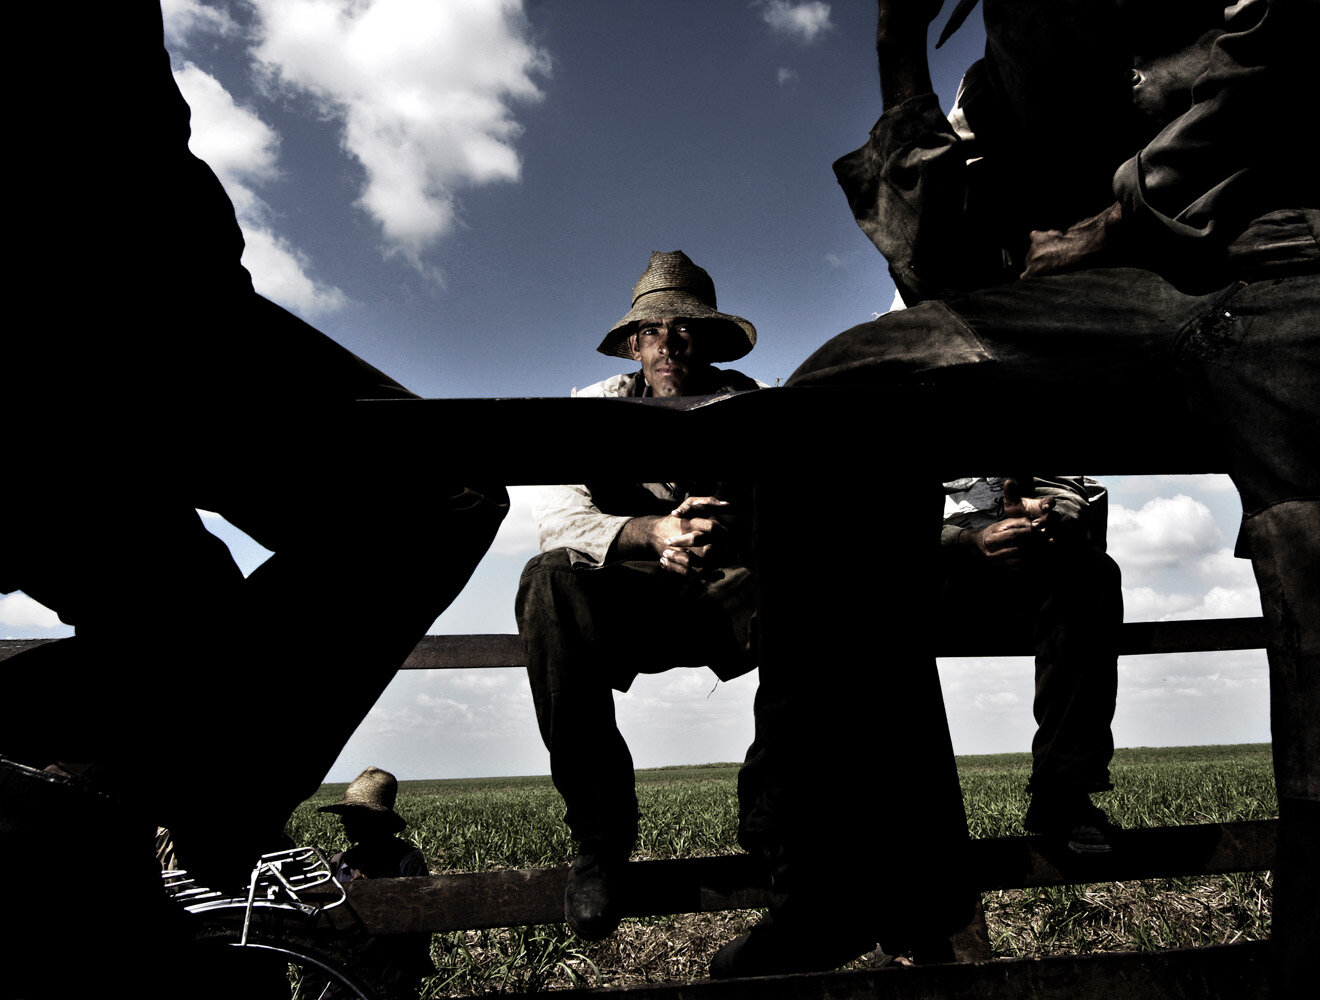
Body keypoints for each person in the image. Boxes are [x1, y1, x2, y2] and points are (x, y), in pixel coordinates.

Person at [789, 1, 1320, 995]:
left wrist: (1119, 215)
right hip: (1136, 288)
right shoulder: (1003, 65)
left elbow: (1306, 50)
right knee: (834, 404)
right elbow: (948, 263)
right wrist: (897, 51)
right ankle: (895, 882)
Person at [1, 5, 505, 992]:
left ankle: (174, 797)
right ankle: (199, 799)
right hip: (116, 272)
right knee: (428, 496)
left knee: (188, 608)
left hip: (133, 265)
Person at [515, 250, 764, 941]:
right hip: (637, 607)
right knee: (547, 581)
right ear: (632, 344)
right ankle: (599, 843)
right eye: (652, 330)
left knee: (820, 582)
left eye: (686, 329)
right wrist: (654, 531)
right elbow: (558, 521)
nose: (668, 343)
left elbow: (812, 510)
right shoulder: (589, 412)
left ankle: (777, 818)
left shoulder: (759, 406)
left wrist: (733, 523)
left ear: (710, 340)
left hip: (739, 595)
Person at [937, 475, 1121, 852]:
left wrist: (1050, 516)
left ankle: (1064, 793)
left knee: (1093, 575)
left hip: (1028, 557)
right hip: (936, 563)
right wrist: (964, 540)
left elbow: (1068, 489)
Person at [320, 767, 435, 1000]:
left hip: (389, 976)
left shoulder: (407, 860)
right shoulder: (340, 862)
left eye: (351, 815)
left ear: (372, 820)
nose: (342, 821)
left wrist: (374, 896)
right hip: (341, 979)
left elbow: (418, 931)